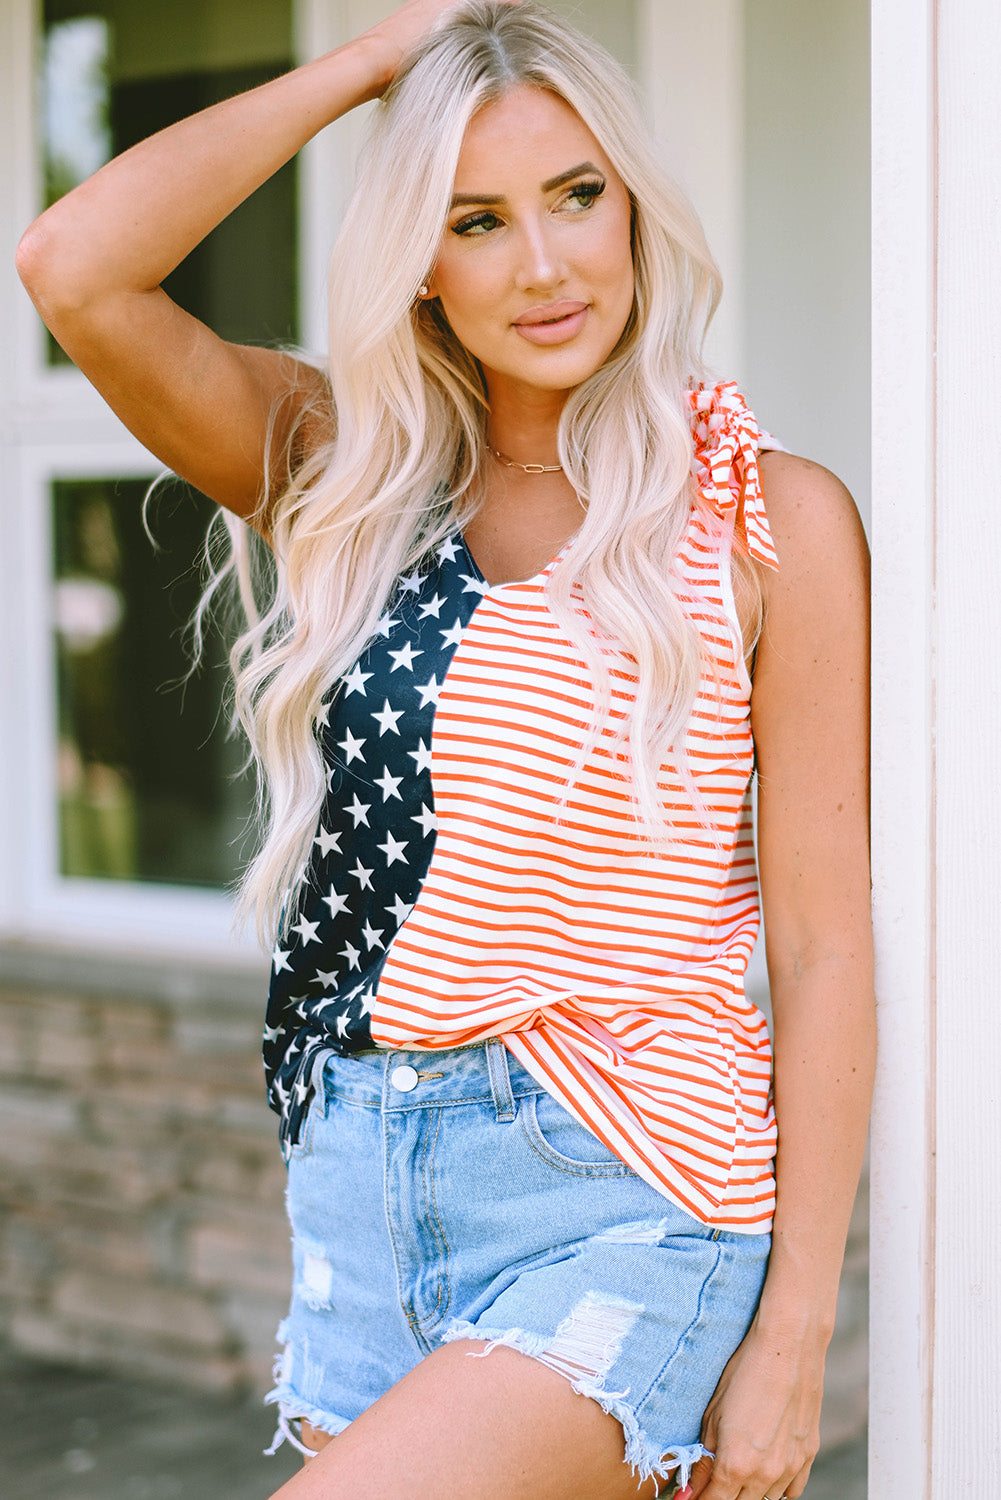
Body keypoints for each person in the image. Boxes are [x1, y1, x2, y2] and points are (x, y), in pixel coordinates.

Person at [16, 3, 875, 1497]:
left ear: (633, 208)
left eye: (575, 195)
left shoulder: (763, 516)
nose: (543, 264)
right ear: (419, 259)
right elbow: (74, 267)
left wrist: (795, 1332)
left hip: (625, 1187)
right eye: (475, 219)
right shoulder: (351, 475)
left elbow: (817, 942)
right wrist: (365, 68)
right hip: (363, 1179)